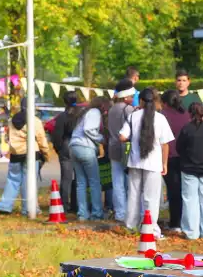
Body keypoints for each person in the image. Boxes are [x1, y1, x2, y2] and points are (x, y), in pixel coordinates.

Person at [119, 88, 174, 236]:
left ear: (141, 101)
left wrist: (134, 137)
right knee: (152, 198)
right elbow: (165, 144)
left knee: (133, 195)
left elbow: (122, 137)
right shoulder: (161, 118)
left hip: (135, 162)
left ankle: (131, 226)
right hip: (154, 163)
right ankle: (152, 229)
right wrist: (165, 164)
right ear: (155, 101)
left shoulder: (133, 116)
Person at [0, 108, 50, 216]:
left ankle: (4, 206)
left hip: (15, 154)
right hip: (31, 154)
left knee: (12, 181)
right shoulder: (35, 121)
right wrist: (46, 155)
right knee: (29, 182)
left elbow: (8, 137)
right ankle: (29, 209)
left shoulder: (11, 121)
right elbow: (41, 139)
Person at [177, 102, 203, 240]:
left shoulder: (187, 128)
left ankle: (191, 232)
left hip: (189, 167)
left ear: (190, 113)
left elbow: (179, 148)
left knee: (190, 200)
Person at [69, 96, 111, 220]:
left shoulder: (86, 112)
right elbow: (89, 129)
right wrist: (101, 139)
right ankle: (97, 213)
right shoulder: (95, 112)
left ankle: (82, 213)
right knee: (94, 182)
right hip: (85, 148)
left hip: (74, 147)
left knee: (81, 183)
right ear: (103, 105)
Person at [160, 90, 190, 234]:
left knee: (173, 191)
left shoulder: (163, 115)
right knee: (184, 191)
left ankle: (175, 223)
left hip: (168, 156)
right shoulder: (186, 114)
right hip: (185, 156)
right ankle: (186, 221)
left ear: (164, 103)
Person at [106, 79, 136, 222]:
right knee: (129, 182)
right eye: (132, 96)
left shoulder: (112, 109)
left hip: (112, 148)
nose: (133, 98)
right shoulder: (128, 109)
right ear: (126, 97)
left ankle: (120, 213)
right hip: (126, 149)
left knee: (117, 182)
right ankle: (130, 213)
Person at [48, 91, 80, 216]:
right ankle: (77, 204)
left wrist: (59, 149)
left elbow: (57, 136)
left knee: (66, 178)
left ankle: (64, 205)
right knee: (79, 178)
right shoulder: (82, 115)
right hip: (79, 145)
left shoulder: (62, 117)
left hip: (66, 146)